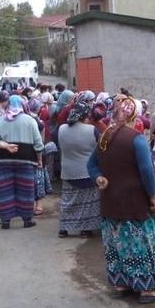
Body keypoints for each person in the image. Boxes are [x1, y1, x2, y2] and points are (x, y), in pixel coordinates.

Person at [87, 95, 155, 304]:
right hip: (134, 202)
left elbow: (91, 165)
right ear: (136, 115)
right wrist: (152, 196)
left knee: (116, 242)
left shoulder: (105, 135)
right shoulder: (136, 138)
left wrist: (98, 178)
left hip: (110, 201)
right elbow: (146, 170)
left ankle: (121, 283)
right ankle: (145, 289)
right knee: (139, 243)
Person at [0, 95, 44, 229]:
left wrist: (4, 145)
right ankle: (27, 220)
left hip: (3, 161)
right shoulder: (30, 120)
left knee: (5, 190)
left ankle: (6, 221)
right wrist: (40, 159)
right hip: (26, 161)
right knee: (26, 190)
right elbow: (38, 144)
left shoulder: (0, 120)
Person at [56, 101, 102, 238]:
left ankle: (64, 228)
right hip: (86, 172)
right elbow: (100, 149)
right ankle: (85, 229)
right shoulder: (91, 130)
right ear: (85, 115)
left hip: (68, 171)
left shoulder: (62, 129)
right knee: (87, 203)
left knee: (68, 201)